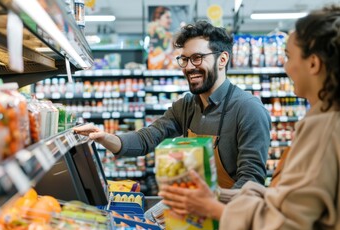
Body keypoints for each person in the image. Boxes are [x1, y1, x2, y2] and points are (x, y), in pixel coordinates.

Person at [159, 5, 340, 230]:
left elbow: (287, 228)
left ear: (313, 64)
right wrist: (218, 195)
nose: (285, 67)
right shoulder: (323, 119)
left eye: (288, 57)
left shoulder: (324, 130)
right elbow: (287, 201)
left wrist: (212, 208)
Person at [74, 20, 270, 190]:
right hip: (193, 225)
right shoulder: (186, 106)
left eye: (197, 58)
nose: (189, 67)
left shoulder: (248, 109)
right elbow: (146, 139)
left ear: (222, 59)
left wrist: (208, 204)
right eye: (184, 59)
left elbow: (251, 182)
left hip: (230, 226)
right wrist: (105, 137)